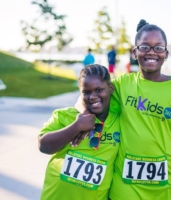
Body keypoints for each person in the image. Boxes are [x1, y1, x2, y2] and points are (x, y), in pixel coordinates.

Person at [75, 19, 171, 200]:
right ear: (134, 52)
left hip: (164, 181)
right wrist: (84, 119)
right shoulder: (123, 84)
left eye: (158, 48)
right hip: (125, 183)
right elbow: (91, 97)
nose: (151, 52)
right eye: (145, 47)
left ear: (166, 53)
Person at [38, 64, 120, 200]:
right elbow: (43, 146)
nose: (93, 96)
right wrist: (77, 126)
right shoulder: (65, 116)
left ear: (110, 88)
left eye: (99, 90)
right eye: (86, 92)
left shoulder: (119, 119)